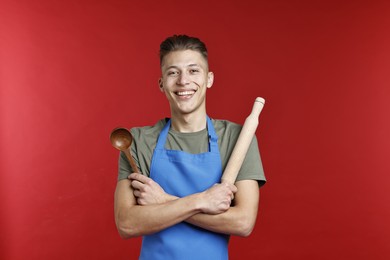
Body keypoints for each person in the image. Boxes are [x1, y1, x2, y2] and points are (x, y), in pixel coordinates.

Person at [114, 35, 266, 260]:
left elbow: (242, 222)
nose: (183, 81)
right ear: (161, 83)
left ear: (209, 78)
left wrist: (164, 200)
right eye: (173, 72)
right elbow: (127, 224)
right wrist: (201, 201)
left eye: (193, 71)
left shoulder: (237, 138)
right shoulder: (139, 140)